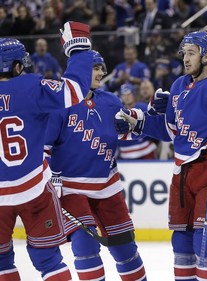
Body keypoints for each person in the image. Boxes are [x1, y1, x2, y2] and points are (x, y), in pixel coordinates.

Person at [114, 31, 207, 281]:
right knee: (181, 240)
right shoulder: (178, 86)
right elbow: (170, 130)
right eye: (184, 54)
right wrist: (139, 124)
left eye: (191, 53)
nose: (185, 59)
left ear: (206, 55)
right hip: (182, 171)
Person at [0, 21, 93, 281]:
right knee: (48, 259)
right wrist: (79, 49)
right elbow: (75, 91)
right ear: (16, 66)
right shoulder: (30, 86)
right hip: (34, 190)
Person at [45, 51, 150, 281]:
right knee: (86, 248)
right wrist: (48, 175)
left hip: (108, 188)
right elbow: (44, 147)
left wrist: (139, 124)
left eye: (102, 67)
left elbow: (125, 135)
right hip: (72, 189)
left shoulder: (110, 101)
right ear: (80, 68)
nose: (102, 73)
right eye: (96, 67)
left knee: (127, 251)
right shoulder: (59, 104)